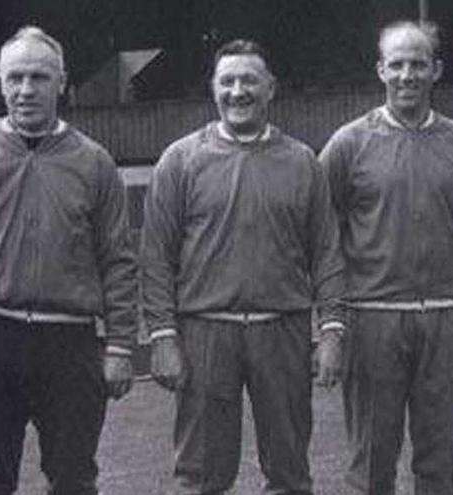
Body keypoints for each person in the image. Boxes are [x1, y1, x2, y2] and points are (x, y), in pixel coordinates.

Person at [140, 39, 345, 495]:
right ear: (212, 88)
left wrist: (331, 330)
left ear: (271, 88)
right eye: (227, 81)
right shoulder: (181, 160)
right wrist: (162, 336)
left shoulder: (303, 162)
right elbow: (155, 257)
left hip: (283, 330)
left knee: (290, 472)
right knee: (201, 476)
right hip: (206, 333)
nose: (238, 91)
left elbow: (327, 253)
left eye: (249, 80)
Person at [0, 26, 136, 495]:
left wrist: (119, 345)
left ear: (62, 82)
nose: (26, 89)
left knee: (74, 479)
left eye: (39, 76)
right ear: (0, 83)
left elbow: (117, 259)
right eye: (15, 77)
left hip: (69, 342)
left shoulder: (95, 163)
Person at [318, 20, 453, 495]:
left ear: (437, 70)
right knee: (372, 461)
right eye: (397, 64)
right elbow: (322, 233)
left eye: (418, 64)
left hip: (446, 316)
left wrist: (441, 267)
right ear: (380, 70)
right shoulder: (348, 144)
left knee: (441, 460)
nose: (407, 75)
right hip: (373, 318)